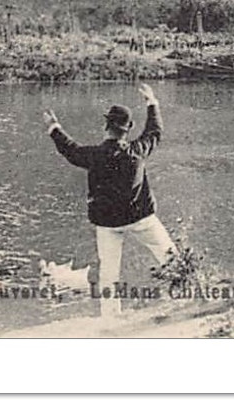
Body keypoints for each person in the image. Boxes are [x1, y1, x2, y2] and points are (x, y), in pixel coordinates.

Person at [43, 84, 177, 306]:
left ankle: (110, 322)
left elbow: (70, 149)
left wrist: (54, 127)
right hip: (140, 218)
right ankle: (189, 295)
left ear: (106, 125)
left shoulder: (94, 156)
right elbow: (155, 131)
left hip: (107, 223)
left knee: (109, 275)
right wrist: (152, 102)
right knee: (171, 257)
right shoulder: (138, 151)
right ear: (128, 128)